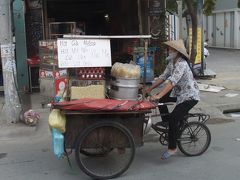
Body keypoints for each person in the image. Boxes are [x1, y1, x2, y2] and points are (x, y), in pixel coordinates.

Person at [145, 39, 200, 160]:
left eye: (171, 49)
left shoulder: (182, 64)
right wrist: (149, 89)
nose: (169, 51)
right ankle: (167, 123)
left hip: (189, 95)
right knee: (159, 100)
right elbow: (163, 77)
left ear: (177, 52)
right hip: (179, 93)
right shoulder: (172, 62)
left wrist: (158, 95)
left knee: (174, 118)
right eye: (169, 49)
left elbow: (172, 82)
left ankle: (172, 148)